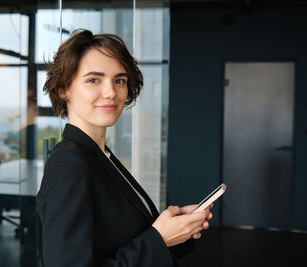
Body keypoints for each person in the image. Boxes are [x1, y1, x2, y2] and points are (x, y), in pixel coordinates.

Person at [36, 28, 213, 267]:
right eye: (93, 80)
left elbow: (121, 242)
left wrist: (175, 231)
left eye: (119, 80)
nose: (111, 92)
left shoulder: (100, 156)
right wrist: (159, 239)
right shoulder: (70, 165)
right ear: (63, 89)